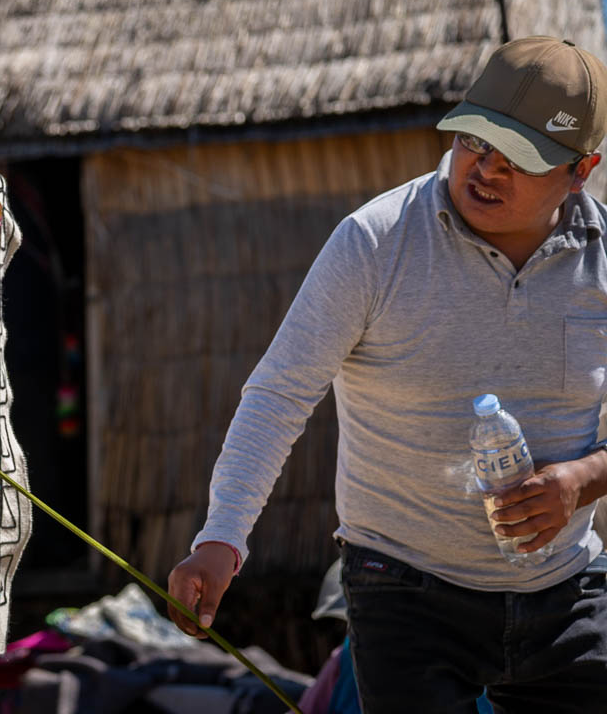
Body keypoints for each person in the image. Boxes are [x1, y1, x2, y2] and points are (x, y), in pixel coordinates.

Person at [167, 36, 607, 713]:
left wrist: (584, 480)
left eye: (518, 158)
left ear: (580, 171)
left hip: (567, 591)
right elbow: (280, 393)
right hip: (405, 588)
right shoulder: (374, 243)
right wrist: (221, 537)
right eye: (473, 142)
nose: (484, 170)